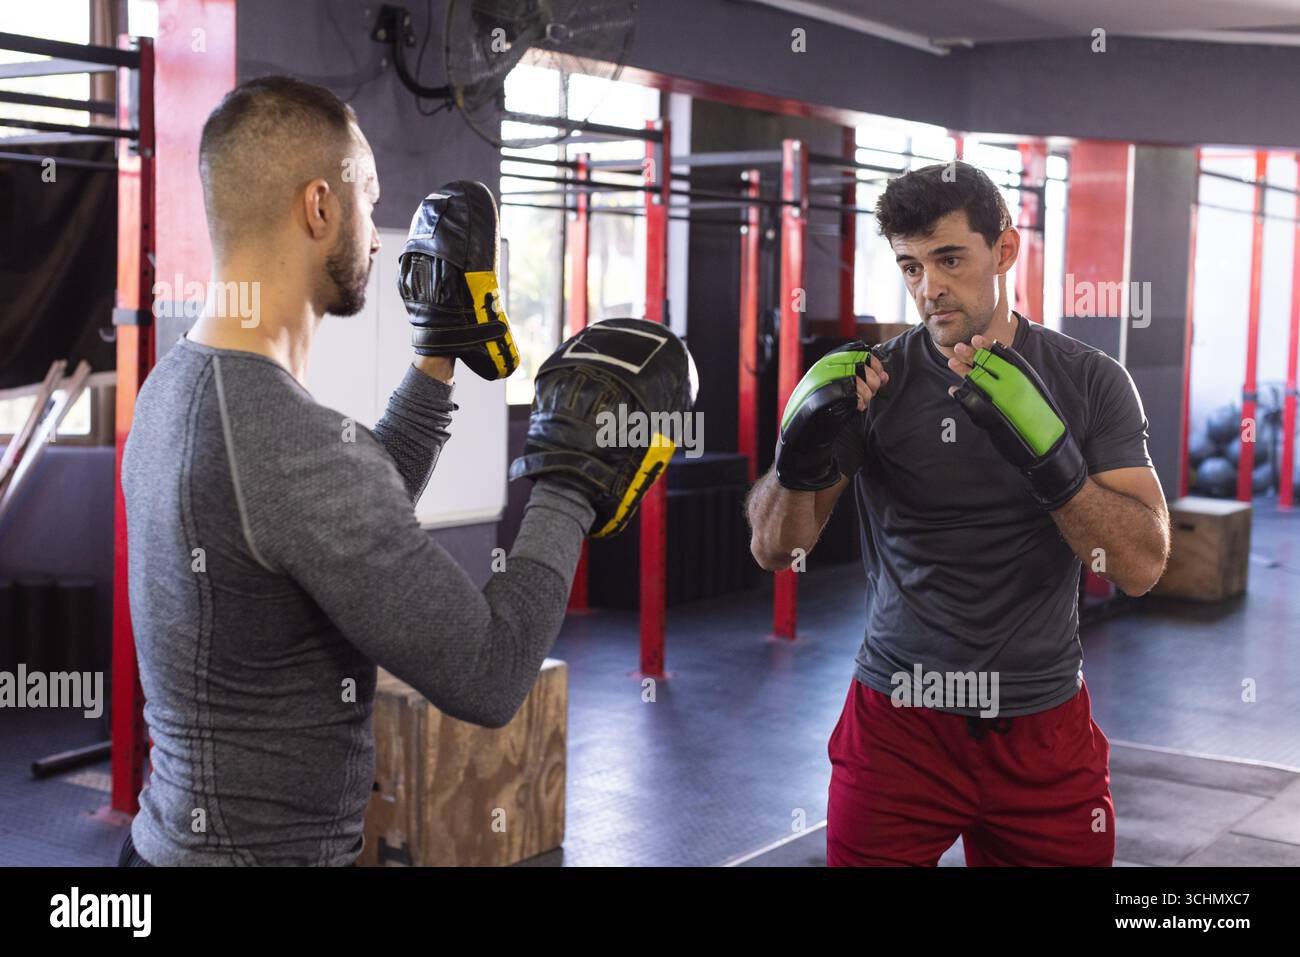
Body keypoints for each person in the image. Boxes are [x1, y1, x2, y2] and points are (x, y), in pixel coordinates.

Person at [118, 76, 687, 866]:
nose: (378, 238)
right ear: (320, 207)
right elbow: (489, 675)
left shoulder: (173, 388)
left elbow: (340, 511)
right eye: (369, 197)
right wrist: (570, 476)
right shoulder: (287, 442)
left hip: (168, 846)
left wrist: (437, 354)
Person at [746, 161, 1170, 867]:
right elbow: (774, 547)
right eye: (910, 267)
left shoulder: (1091, 379)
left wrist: (1055, 465)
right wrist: (797, 455)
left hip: (1042, 726)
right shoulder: (874, 382)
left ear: (1004, 249)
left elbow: (1143, 565)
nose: (928, 288)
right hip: (897, 726)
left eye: (948, 259)